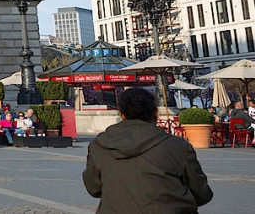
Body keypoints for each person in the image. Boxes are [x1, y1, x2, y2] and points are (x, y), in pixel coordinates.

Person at [83, 87, 212, 213]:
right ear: (155, 113)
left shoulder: (99, 146)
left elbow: (93, 188)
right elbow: (202, 193)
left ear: (122, 115)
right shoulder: (177, 146)